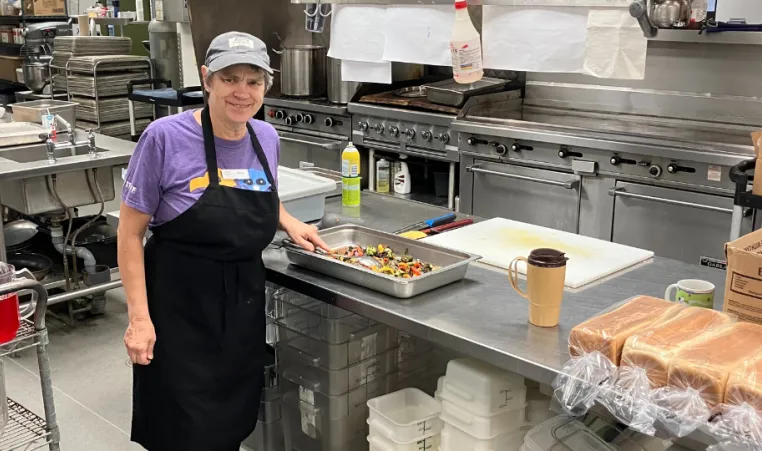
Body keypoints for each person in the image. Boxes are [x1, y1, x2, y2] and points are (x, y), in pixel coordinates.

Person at [117, 31, 328, 450]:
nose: (242, 92)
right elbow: (129, 233)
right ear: (206, 79)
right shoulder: (165, 138)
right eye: (230, 78)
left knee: (231, 422)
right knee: (182, 428)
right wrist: (139, 320)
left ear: (266, 86)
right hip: (179, 308)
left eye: (254, 81)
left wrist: (286, 220)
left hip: (242, 307)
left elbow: (259, 187)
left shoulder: (265, 136)